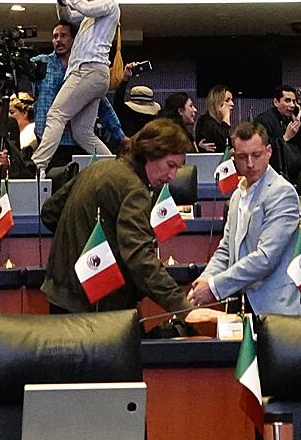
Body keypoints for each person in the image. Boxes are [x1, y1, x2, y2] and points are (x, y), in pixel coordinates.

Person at [39, 120, 191, 314]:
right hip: (98, 306)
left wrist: (79, 240)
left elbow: (50, 212)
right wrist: (182, 307)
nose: (172, 175)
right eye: (170, 165)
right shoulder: (135, 190)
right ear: (149, 152)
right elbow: (139, 257)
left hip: (59, 292)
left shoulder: (96, 169)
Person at [188, 123, 301, 315]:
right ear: (233, 157)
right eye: (242, 157)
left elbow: (266, 258)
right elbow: (226, 249)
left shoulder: (282, 193)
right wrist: (206, 278)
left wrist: (214, 286)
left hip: (274, 311)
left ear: (269, 151)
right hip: (240, 306)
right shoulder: (237, 195)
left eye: (256, 155)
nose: (250, 164)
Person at [30, 0, 120, 170]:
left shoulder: (109, 2)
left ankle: (37, 166)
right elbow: (67, 17)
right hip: (94, 74)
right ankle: (115, 168)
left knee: (56, 115)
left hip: (88, 70)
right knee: (82, 132)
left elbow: (86, 7)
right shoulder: (91, 16)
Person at [29, 24, 125, 165]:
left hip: (77, 143)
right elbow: (23, 68)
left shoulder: (86, 68)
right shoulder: (41, 63)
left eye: (63, 35)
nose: (58, 40)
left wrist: (120, 136)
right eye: (55, 36)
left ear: (74, 40)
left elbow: (103, 105)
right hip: (49, 143)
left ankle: (114, 169)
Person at [193, 86, 234, 154]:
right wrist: (226, 118)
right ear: (217, 103)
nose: (232, 104)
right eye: (227, 100)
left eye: (231, 100)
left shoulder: (217, 123)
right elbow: (223, 143)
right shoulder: (206, 121)